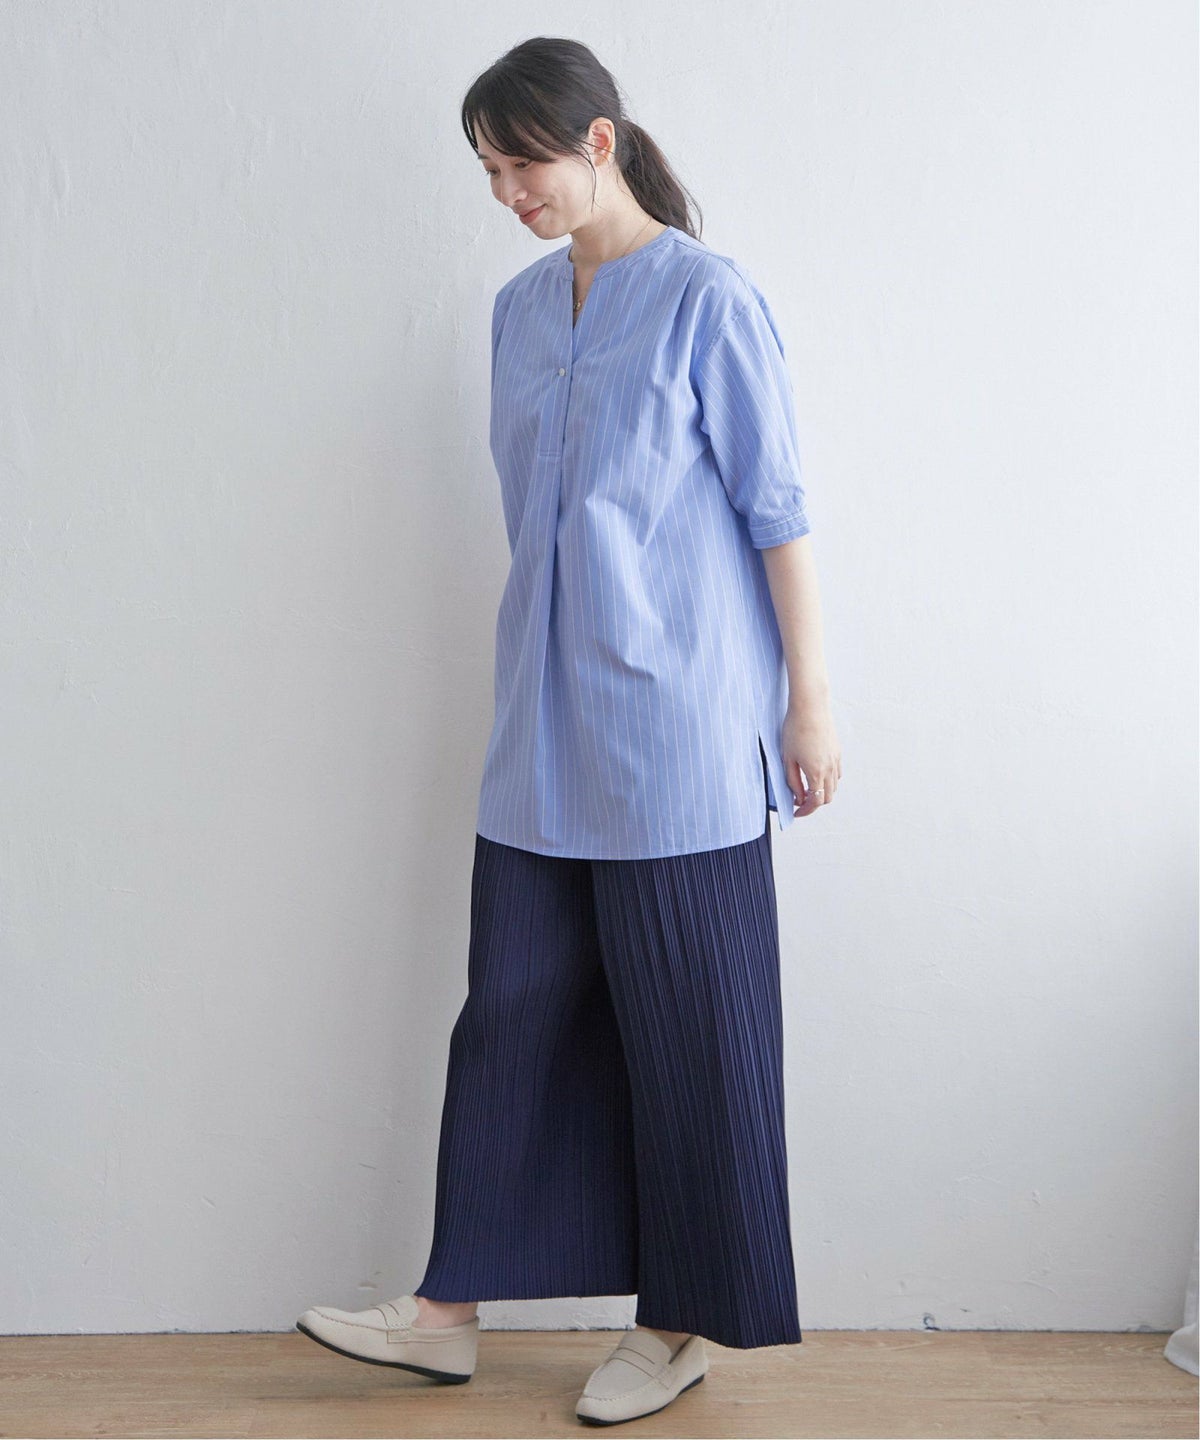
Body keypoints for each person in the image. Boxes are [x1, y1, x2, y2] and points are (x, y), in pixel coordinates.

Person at [297, 35, 841, 1427]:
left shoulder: (710, 301)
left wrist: (810, 701)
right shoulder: (520, 311)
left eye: (521, 162)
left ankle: (676, 1327)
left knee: (694, 1038)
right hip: (540, 732)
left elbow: (779, 515)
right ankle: (446, 1313)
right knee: (512, 1018)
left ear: (599, 140)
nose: (506, 193)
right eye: (487, 171)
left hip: (679, 739)